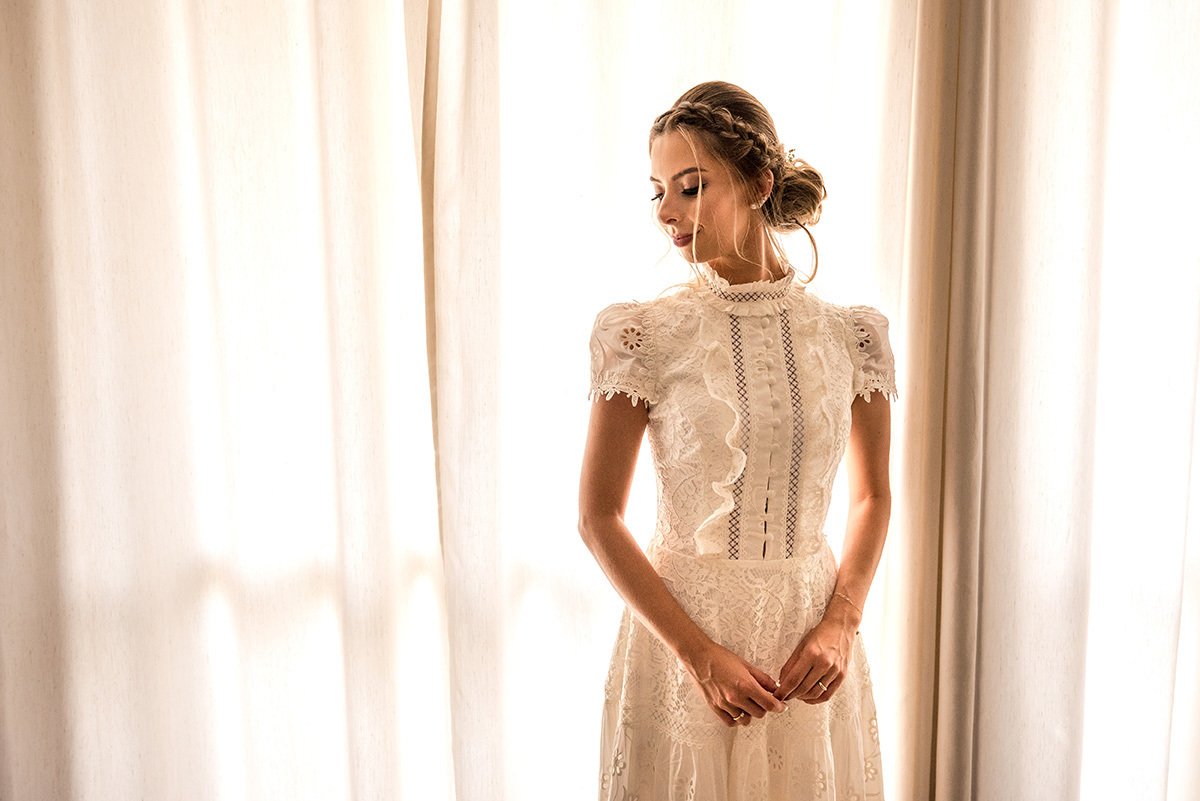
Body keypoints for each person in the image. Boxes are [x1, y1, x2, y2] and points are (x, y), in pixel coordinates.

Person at [578, 80, 896, 800]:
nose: (667, 211)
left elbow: (873, 495)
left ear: (759, 184)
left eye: (690, 187)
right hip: (680, 643)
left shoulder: (855, 336)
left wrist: (841, 622)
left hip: (812, 644)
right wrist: (699, 656)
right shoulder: (640, 335)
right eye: (658, 191)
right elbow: (598, 517)